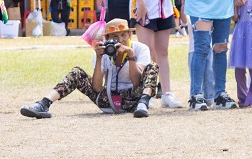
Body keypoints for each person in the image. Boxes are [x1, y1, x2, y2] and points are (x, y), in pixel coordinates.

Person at [20, 18, 160, 118]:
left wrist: (130, 56)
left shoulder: (140, 49)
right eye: (115, 37)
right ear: (107, 39)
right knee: (76, 73)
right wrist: (99, 58)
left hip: (134, 98)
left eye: (123, 35)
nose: (120, 40)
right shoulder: (103, 50)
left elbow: (136, 81)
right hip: (108, 98)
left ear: (130, 34)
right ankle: (43, 103)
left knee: (153, 66)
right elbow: (97, 88)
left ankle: (144, 103)